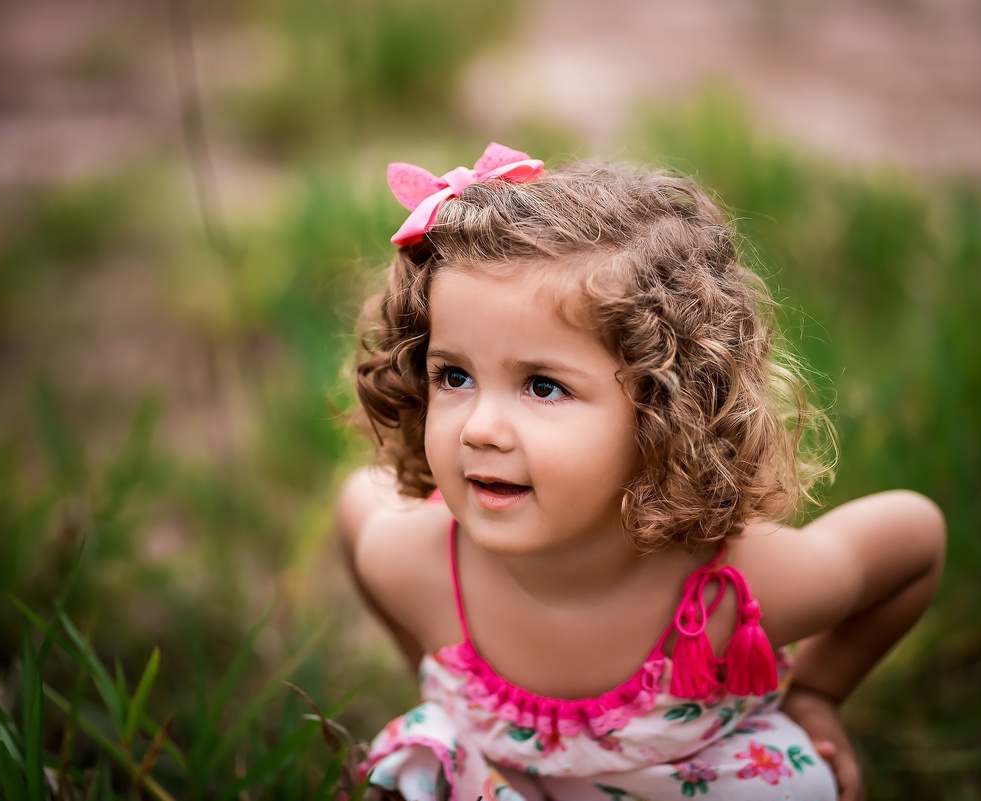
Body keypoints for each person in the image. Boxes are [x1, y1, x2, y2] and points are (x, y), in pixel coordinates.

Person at [336, 143, 945, 801]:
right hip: (496, 774)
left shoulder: (731, 594)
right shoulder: (415, 566)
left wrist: (823, 690)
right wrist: (433, 670)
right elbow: (355, 505)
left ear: (665, 411)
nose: (480, 427)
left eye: (542, 386)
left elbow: (915, 537)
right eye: (454, 375)